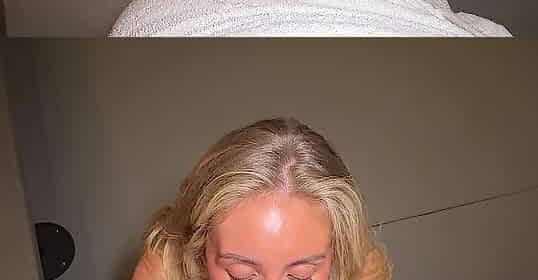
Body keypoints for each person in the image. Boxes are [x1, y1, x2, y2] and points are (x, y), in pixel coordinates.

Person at [130, 118, 391, 280]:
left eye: (300, 277)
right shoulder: (163, 270)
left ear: (337, 253)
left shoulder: (361, 271)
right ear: (199, 249)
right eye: (242, 277)